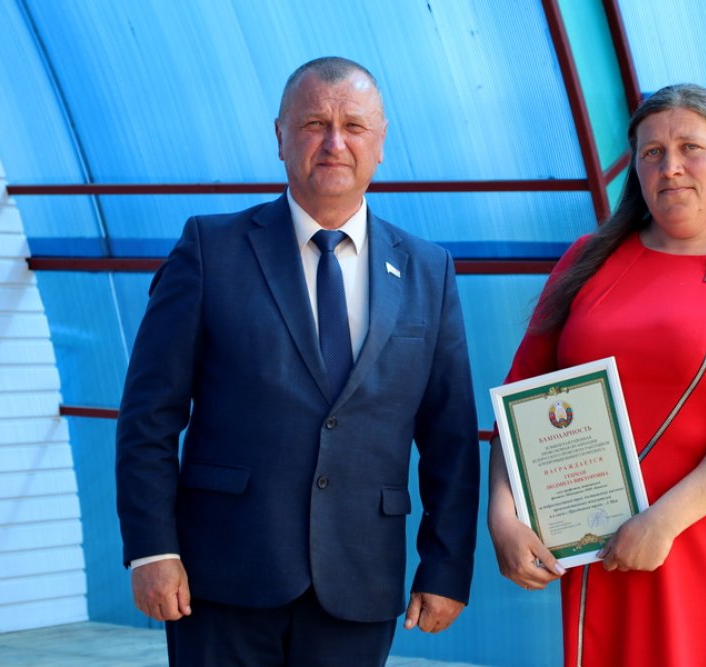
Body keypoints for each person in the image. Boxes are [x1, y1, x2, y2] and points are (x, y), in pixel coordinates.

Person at [115, 56, 480, 666]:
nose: (334, 143)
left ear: (381, 142)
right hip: (221, 576)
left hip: (359, 579)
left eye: (354, 126)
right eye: (314, 124)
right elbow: (149, 414)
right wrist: (153, 549)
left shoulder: (429, 270)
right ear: (280, 136)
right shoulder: (210, 249)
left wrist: (446, 566)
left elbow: (451, 438)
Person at [488, 84, 706, 666]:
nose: (670, 167)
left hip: (701, 539)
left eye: (690, 147)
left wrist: (662, 523)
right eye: (652, 153)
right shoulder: (587, 259)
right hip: (593, 541)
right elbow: (522, 397)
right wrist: (502, 516)